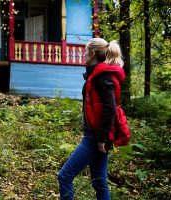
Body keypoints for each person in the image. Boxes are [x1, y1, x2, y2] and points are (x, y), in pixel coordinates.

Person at [58, 38, 126, 200]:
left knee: (65, 176)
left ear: (92, 53)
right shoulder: (97, 75)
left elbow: (110, 109)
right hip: (98, 137)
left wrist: (102, 138)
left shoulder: (101, 77)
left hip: (95, 138)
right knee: (99, 181)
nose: (83, 55)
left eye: (85, 51)